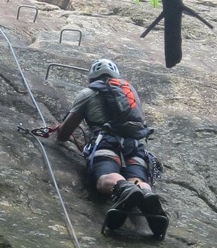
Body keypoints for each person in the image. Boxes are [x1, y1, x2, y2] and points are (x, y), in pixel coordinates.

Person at [57, 58, 168, 238]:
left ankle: (124, 189)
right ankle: (146, 193)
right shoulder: (130, 93)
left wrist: (61, 131)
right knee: (136, 177)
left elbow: (64, 133)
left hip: (106, 143)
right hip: (135, 146)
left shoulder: (88, 93)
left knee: (105, 178)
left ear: (92, 77)